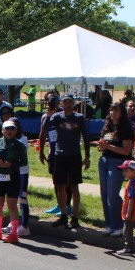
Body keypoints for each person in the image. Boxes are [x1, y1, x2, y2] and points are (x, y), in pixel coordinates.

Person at [40, 94, 91, 228]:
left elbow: (86, 137)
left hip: (74, 155)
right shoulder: (57, 117)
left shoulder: (79, 117)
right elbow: (45, 129)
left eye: (70, 102)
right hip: (59, 155)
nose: (67, 104)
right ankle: (63, 215)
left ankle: (75, 217)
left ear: (73, 104)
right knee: (60, 185)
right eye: (65, 102)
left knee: (74, 186)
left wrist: (87, 156)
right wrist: (49, 114)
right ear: (61, 104)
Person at [95, 103, 135, 236]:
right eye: (111, 110)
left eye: (116, 111)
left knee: (112, 195)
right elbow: (103, 144)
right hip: (104, 161)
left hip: (117, 163)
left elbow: (126, 151)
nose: (113, 113)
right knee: (104, 194)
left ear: (122, 113)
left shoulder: (126, 128)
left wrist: (108, 146)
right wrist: (101, 146)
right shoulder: (107, 126)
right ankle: (109, 224)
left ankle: (119, 225)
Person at [0, 120, 27, 243]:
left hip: (13, 177)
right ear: (2, 130)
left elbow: (24, 162)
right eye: (7, 128)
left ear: (16, 130)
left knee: (12, 205)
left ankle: (14, 234)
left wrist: (11, 164)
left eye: (12, 129)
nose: (9, 131)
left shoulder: (19, 145)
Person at [116, 160, 135, 255]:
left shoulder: (132, 184)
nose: (123, 173)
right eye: (123, 171)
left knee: (127, 229)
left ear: (134, 171)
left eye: (126, 171)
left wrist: (128, 213)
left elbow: (131, 199)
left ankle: (128, 247)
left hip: (130, 210)